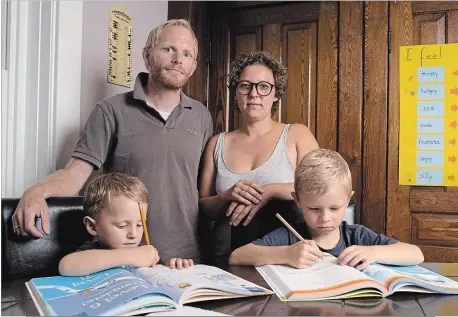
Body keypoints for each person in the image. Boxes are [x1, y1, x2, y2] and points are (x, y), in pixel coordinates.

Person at [12, 19, 213, 264]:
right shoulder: (110, 110)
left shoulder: (202, 116)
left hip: (187, 261)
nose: (178, 59)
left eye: (187, 54)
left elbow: (204, 193)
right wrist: (36, 192)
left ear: (192, 66)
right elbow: (74, 175)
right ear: (147, 55)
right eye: (168, 49)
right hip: (123, 260)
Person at [199, 51, 319, 265]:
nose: (254, 94)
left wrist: (269, 191)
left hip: (291, 259)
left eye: (263, 87)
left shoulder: (297, 135)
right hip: (230, 261)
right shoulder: (216, 143)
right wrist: (226, 196)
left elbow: (320, 189)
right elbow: (204, 206)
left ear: (276, 94)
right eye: (245, 86)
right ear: (236, 94)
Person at [229, 149, 424, 270]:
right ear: (297, 201)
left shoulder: (356, 236)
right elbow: (236, 256)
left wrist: (373, 253)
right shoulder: (288, 237)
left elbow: (416, 254)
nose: (325, 218)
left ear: (348, 200)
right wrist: (287, 254)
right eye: (314, 208)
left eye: (334, 208)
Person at [59, 173, 194, 276]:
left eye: (140, 225)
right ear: (93, 226)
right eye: (122, 226)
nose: (134, 235)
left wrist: (175, 268)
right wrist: (132, 256)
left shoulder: (145, 253)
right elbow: (66, 266)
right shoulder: (89, 251)